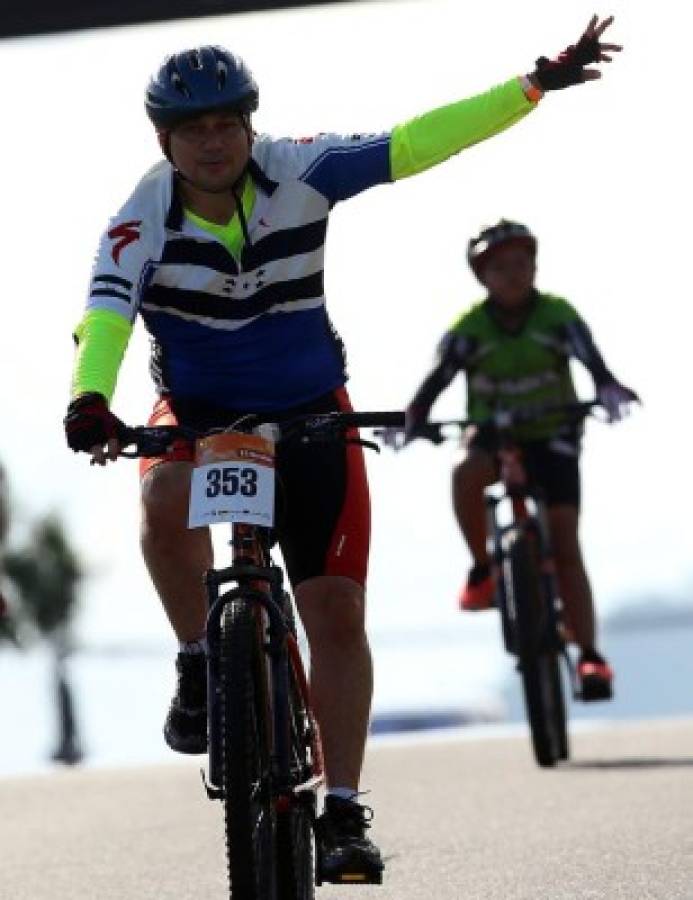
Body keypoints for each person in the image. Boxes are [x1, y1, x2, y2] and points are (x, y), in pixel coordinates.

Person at [64, 18, 621, 881]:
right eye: (192, 131)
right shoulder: (138, 220)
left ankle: (345, 809)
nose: (213, 144)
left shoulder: (301, 171)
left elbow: (417, 142)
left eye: (227, 126)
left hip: (310, 410)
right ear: (163, 140)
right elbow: (104, 318)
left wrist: (530, 86)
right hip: (203, 415)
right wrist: (89, 400)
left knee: (335, 613)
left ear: (251, 126)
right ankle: (196, 662)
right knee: (159, 504)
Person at [403, 218, 638, 699]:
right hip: (493, 437)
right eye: (500, 267)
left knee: (565, 539)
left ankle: (590, 656)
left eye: (521, 264)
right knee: (465, 470)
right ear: (482, 276)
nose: (513, 275)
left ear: (535, 266)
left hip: (554, 435)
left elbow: (592, 360)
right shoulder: (470, 328)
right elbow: (437, 378)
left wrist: (609, 388)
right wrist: (414, 416)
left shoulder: (557, 316)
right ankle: (483, 568)